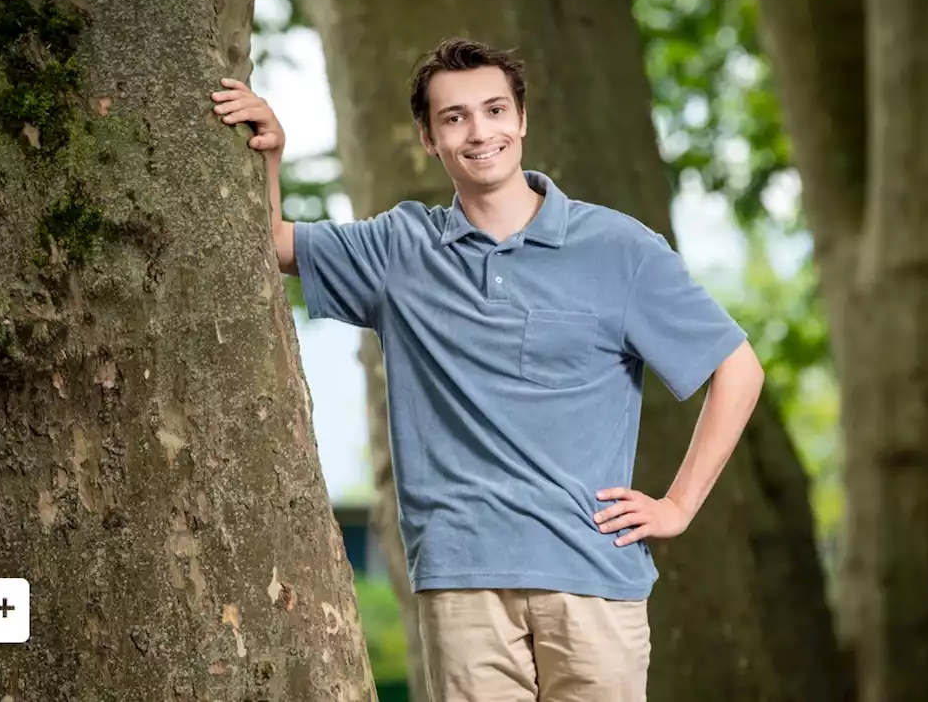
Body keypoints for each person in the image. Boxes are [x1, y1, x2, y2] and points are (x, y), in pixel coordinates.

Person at [210, 38, 764, 702]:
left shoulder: (620, 249)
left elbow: (737, 366)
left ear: (521, 121)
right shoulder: (398, 248)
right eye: (454, 117)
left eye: (495, 110)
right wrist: (270, 152)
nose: (480, 132)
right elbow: (272, 243)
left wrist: (678, 504)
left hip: (592, 577)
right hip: (462, 581)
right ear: (428, 138)